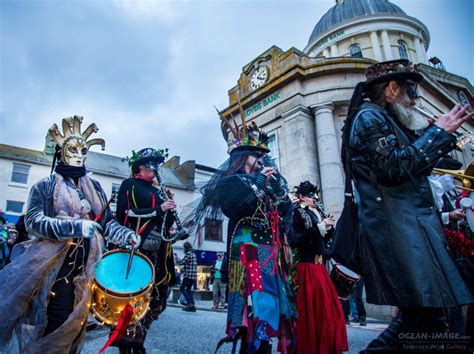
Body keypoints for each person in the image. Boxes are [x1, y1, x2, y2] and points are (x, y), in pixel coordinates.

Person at [341, 59, 474, 352]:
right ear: (391, 89)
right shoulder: (368, 117)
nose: (414, 98)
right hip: (398, 233)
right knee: (424, 323)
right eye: (410, 89)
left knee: (423, 323)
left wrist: (430, 136)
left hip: (409, 231)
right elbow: (393, 167)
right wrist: (437, 134)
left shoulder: (384, 120)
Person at [0, 116, 136, 353]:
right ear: (61, 151)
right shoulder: (45, 185)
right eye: (73, 148)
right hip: (54, 273)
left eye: (83, 149)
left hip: (85, 273)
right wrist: (76, 227)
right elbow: (33, 221)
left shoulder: (95, 189)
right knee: (55, 326)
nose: (79, 153)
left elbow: (107, 223)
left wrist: (127, 236)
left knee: (76, 330)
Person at [195, 121, 296, 353]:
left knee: (269, 304)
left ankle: (263, 344)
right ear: (242, 156)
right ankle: (251, 344)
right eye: (255, 154)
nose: (261, 158)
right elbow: (235, 207)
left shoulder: (265, 183)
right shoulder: (230, 181)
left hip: (268, 250)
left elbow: (284, 213)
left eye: (262, 155)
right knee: (252, 305)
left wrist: (279, 189)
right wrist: (259, 182)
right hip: (246, 249)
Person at [112, 147, 179, 353]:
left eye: (156, 165)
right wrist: (159, 208)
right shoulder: (129, 184)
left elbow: (162, 220)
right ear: (139, 166)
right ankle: (126, 341)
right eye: (151, 164)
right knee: (133, 294)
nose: (155, 169)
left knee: (155, 296)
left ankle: (140, 337)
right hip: (137, 246)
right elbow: (125, 213)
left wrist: (168, 213)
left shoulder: (158, 190)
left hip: (158, 249)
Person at [289, 181, 348, 354]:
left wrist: (327, 228)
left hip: (319, 266)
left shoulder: (315, 212)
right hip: (306, 268)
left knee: (327, 309)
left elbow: (319, 241)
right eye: (309, 195)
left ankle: (325, 345)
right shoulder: (296, 212)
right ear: (301, 196)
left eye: (314, 195)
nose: (314, 199)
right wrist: (320, 228)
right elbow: (295, 239)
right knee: (309, 311)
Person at [176, 241, 197, 312]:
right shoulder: (193, 254)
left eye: (184, 248)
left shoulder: (188, 254)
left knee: (182, 288)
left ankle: (190, 303)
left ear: (186, 248)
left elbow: (181, 262)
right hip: (193, 276)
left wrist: (176, 258)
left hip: (188, 275)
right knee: (188, 290)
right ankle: (192, 306)